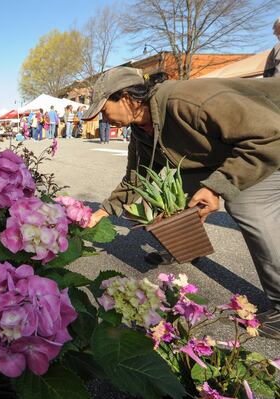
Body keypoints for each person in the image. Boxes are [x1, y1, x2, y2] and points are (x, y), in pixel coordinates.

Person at [83, 66, 280, 339]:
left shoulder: (186, 101)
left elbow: (270, 134)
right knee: (161, 196)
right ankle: (186, 247)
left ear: (127, 97)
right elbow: (137, 177)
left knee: (247, 206)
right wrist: (105, 211)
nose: (104, 120)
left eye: (104, 111)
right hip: (224, 154)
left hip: (265, 148)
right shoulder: (141, 127)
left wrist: (218, 186)